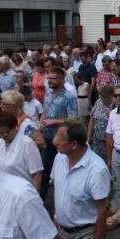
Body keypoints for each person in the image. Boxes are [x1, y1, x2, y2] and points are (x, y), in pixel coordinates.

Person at [52, 119, 111, 239]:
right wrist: (56, 224)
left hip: (85, 235)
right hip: (61, 232)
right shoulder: (59, 159)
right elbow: (58, 193)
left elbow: (104, 208)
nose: (55, 142)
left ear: (73, 144)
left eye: (60, 139)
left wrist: (98, 238)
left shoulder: (97, 169)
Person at [39, 66, 78, 200]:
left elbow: (74, 119)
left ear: (62, 80)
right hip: (48, 138)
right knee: (44, 171)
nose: (49, 81)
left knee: (63, 173)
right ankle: (40, 202)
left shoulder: (69, 97)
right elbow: (45, 110)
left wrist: (54, 121)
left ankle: (65, 201)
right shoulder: (48, 94)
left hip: (62, 142)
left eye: (53, 79)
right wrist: (42, 121)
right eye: (48, 78)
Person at [0, 111, 43, 191]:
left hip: (24, 194)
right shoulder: (2, 142)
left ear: (15, 127)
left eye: (4, 133)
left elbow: (37, 173)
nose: (2, 137)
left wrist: (36, 197)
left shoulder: (27, 143)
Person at [87, 84, 115, 163]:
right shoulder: (98, 102)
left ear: (110, 97)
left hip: (110, 143)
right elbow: (92, 120)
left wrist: (112, 114)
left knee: (109, 164)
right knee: (97, 162)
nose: (102, 99)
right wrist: (88, 137)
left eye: (104, 98)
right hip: (97, 140)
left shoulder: (117, 105)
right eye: (101, 97)